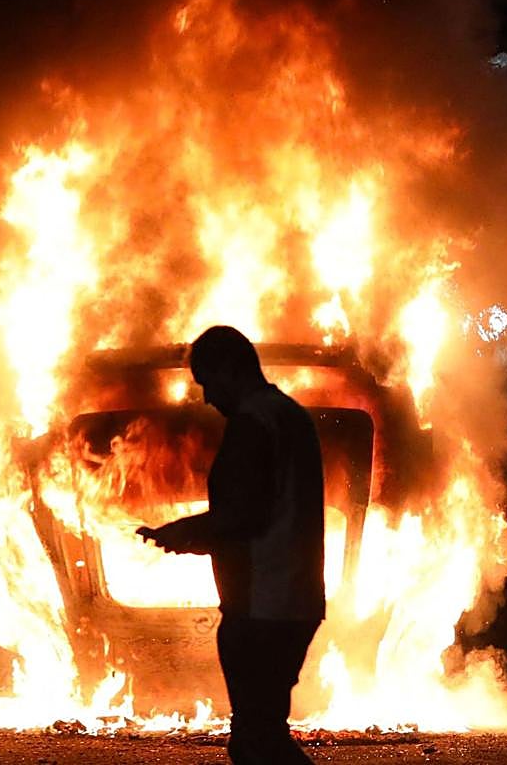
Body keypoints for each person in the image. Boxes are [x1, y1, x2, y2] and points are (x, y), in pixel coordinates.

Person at [139, 326, 324, 765]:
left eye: (207, 382)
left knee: (257, 740)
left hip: (263, 605)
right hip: (293, 599)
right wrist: (197, 539)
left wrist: (183, 531)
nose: (206, 397)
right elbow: (270, 511)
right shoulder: (290, 415)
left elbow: (245, 515)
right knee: (260, 736)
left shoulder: (253, 424)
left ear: (230, 369)